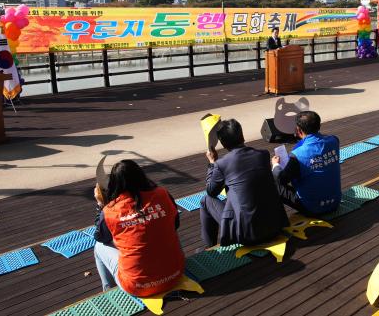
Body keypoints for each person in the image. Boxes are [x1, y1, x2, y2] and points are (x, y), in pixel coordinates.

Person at [93, 160, 185, 297]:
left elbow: (100, 236)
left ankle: (108, 293)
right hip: (175, 275)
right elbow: (175, 224)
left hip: (137, 286)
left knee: (99, 247)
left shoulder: (110, 210)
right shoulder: (162, 194)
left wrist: (101, 206)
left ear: (114, 183)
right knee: (166, 229)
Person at [200, 119, 289, 247]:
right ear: (242, 136)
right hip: (275, 227)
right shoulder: (262, 155)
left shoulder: (222, 164)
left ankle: (210, 247)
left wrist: (212, 163)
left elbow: (211, 191)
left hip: (247, 234)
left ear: (223, 144)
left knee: (205, 200)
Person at [273, 111, 341, 215]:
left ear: (298, 130)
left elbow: (281, 179)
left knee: (275, 185)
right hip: (335, 202)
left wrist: (275, 165)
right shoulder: (334, 141)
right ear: (319, 126)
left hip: (313, 207)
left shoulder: (297, 154)